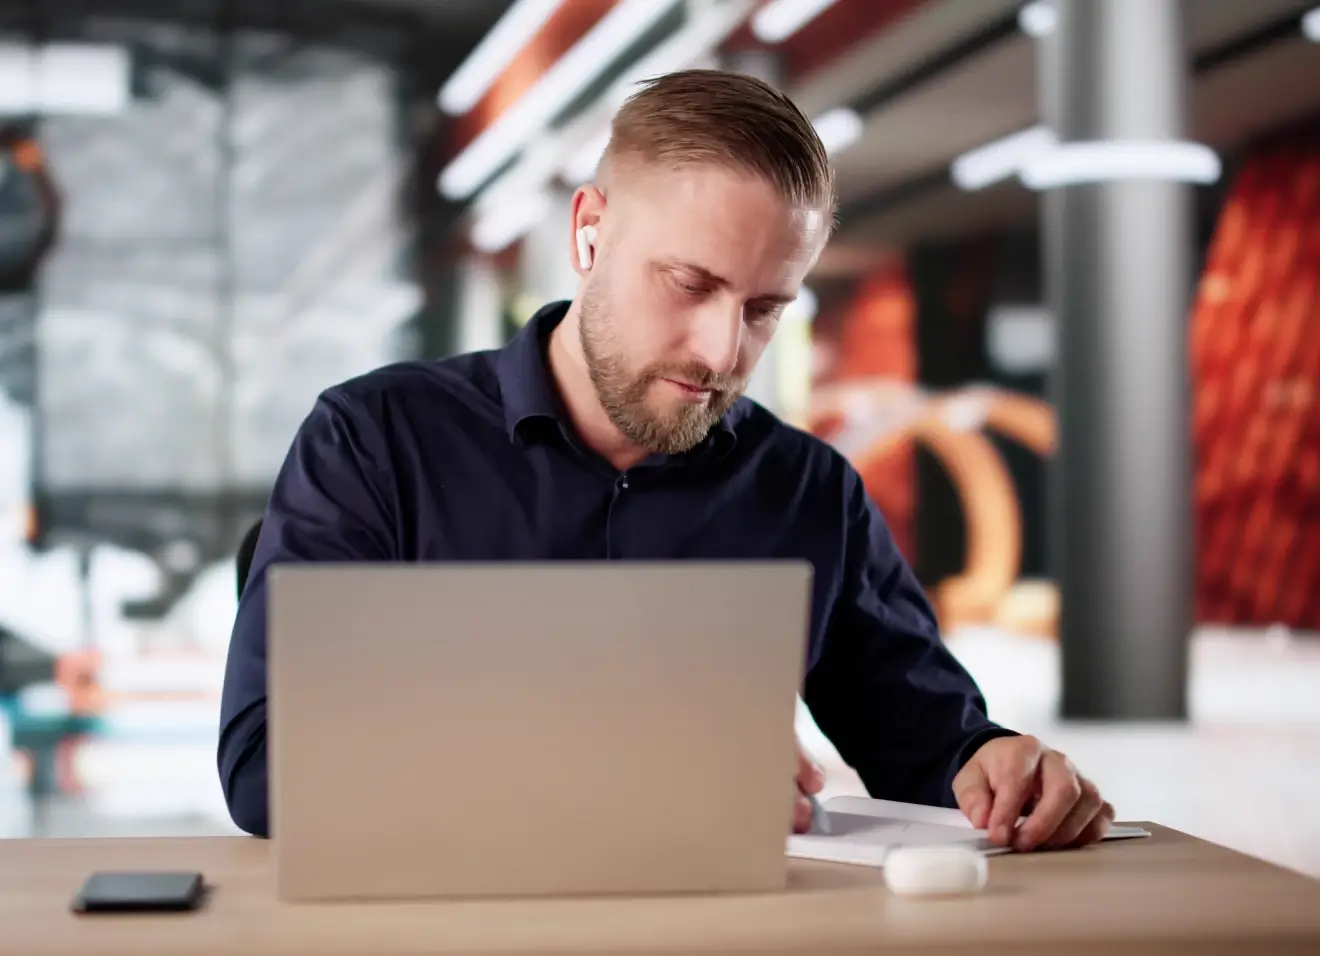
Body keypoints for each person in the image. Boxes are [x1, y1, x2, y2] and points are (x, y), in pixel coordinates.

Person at [219, 69, 1114, 847]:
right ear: (590, 233)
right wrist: (618, 758)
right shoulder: (376, 441)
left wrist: (992, 766)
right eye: (692, 285)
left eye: (767, 307)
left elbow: (925, 742)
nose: (723, 351)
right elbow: (269, 767)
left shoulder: (807, 492)